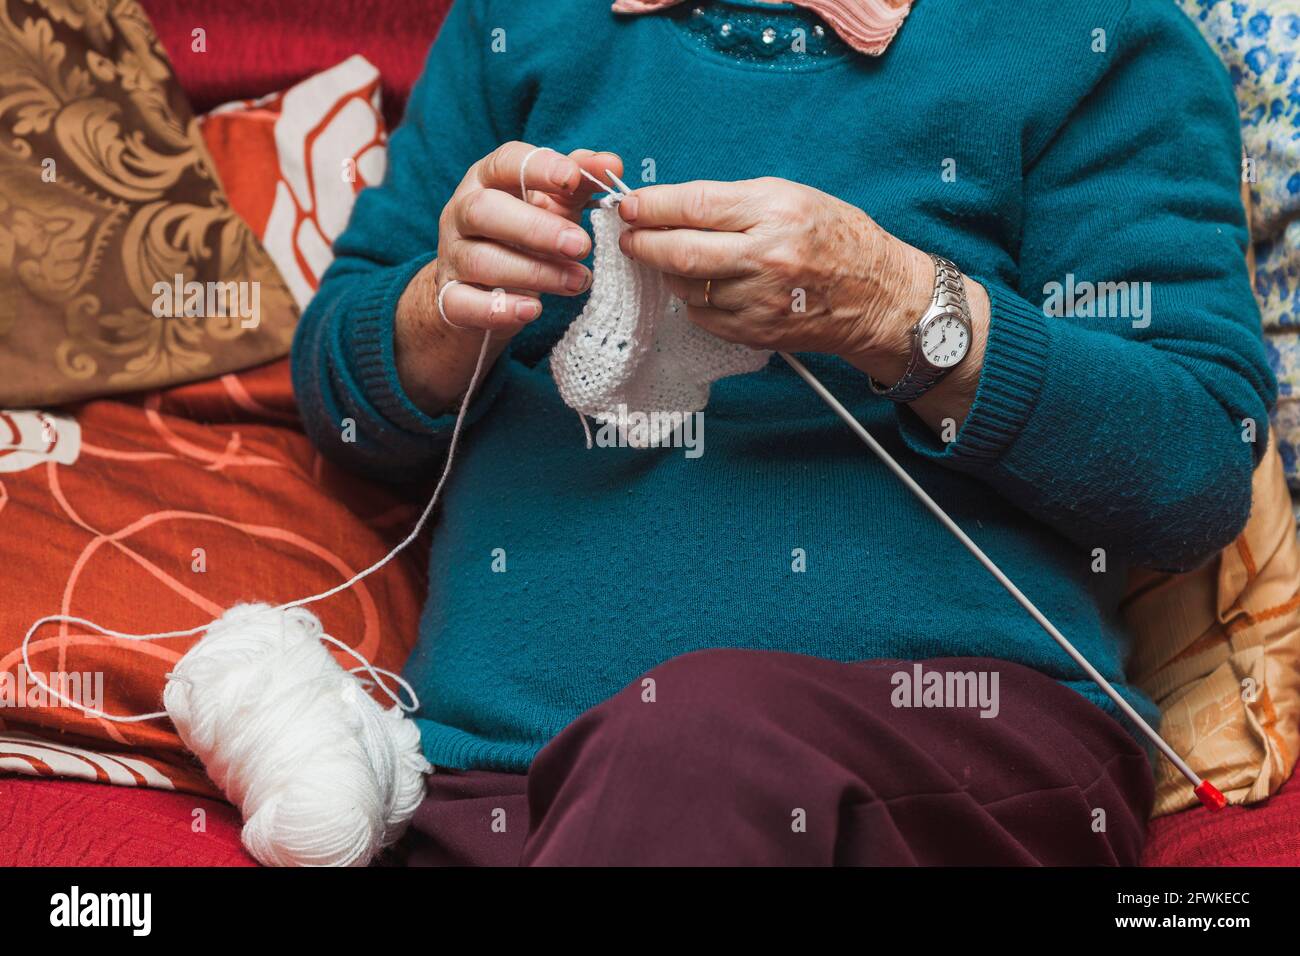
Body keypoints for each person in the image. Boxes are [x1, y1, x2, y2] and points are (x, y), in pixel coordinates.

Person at [291, 0, 1274, 865]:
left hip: (952, 757)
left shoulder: (1092, 37)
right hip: (492, 782)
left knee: (688, 743)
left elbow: (1191, 470)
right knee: (671, 754)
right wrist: (443, 306)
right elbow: (340, 402)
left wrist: (896, 307)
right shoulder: (517, 24)